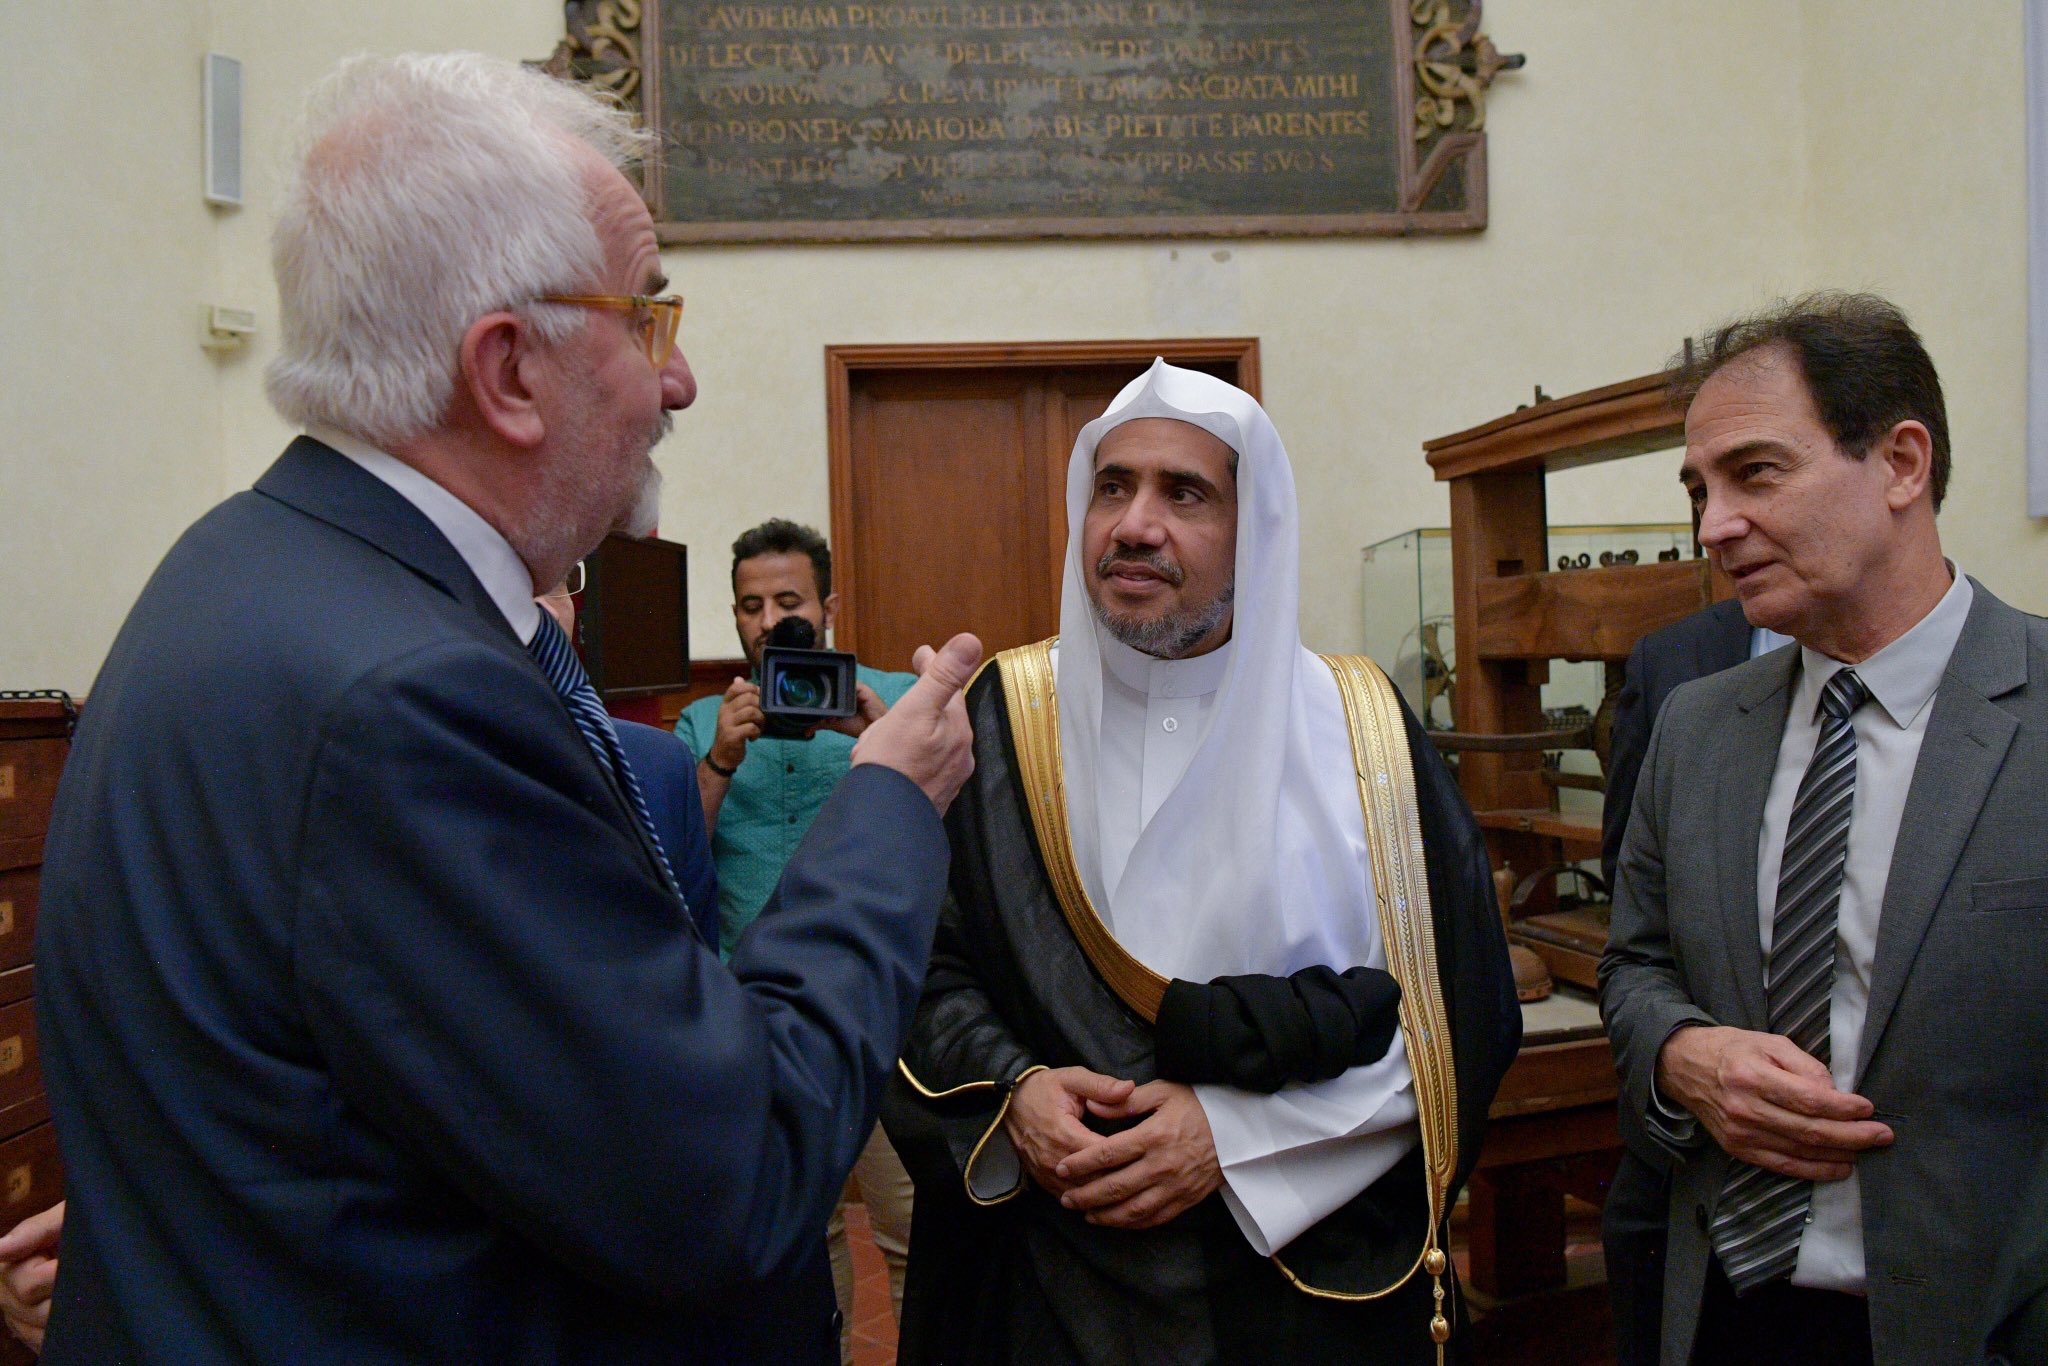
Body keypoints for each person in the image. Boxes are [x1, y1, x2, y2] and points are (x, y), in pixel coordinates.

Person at [33, 51, 978, 1364]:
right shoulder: (413, 700)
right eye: (647, 319)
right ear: (509, 370)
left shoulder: (246, 565)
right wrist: (887, 803)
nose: (681, 381)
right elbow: (727, 1173)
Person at [882, 359, 1520, 1365]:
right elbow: (918, 967)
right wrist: (1015, 1093)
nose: (1134, 524)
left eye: (1183, 494)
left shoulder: (1360, 729)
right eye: (1112, 486)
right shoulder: (1001, 718)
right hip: (1043, 1274)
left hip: (1296, 1293)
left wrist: (1237, 1140)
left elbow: (1452, 1015)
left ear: (1252, 527)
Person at [1599, 292, 2048, 1366]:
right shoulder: (1695, 725)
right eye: (1698, 490)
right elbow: (1635, 965)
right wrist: (1682, 1056)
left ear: (1900, 464)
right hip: (1724, 1313)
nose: (1712, 527)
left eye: (1754, 474)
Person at [674, 520, 918, 1359]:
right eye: (751, 606)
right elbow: (671, 860)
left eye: (789, 600)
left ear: (827, 606)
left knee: (911, 1228)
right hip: (751, 1022)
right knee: (797, 1241)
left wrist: (878, 740)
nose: (770, 620)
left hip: (883, 1016)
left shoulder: (887, 699)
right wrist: (718, 761)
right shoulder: (703, 720)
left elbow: (947, 832)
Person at [1598, 598, 1789, 1366]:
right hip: (1691, 1195)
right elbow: (1635, 929)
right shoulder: (1681, 688)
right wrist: (1678, 1050)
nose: (1714, 538)